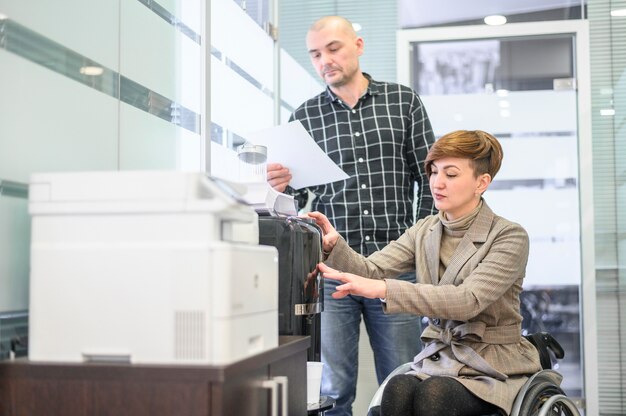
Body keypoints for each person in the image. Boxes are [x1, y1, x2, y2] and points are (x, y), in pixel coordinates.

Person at [266, 15, 435, 415]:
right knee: (333, 389)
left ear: (357, 46)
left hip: (394, 269)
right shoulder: (305, 118)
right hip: (330, 270)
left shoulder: (403, 102)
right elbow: (292, 201)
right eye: (315, 54)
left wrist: (423, 249)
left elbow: (429, 180)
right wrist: (278, 185)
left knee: (402, 383)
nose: (325, 59)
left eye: (334, 48)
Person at [308, 130, 542, 416]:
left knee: (435, 395)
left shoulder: (508, 236)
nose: (437, 183)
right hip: (440, 358)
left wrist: (383, 289)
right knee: (396, 389)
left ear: (482, 182)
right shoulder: (425, 230)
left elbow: (468, 300)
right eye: (433, 172)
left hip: (492, 363)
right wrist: (335, 247)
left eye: (451, 174)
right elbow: (374, 269)